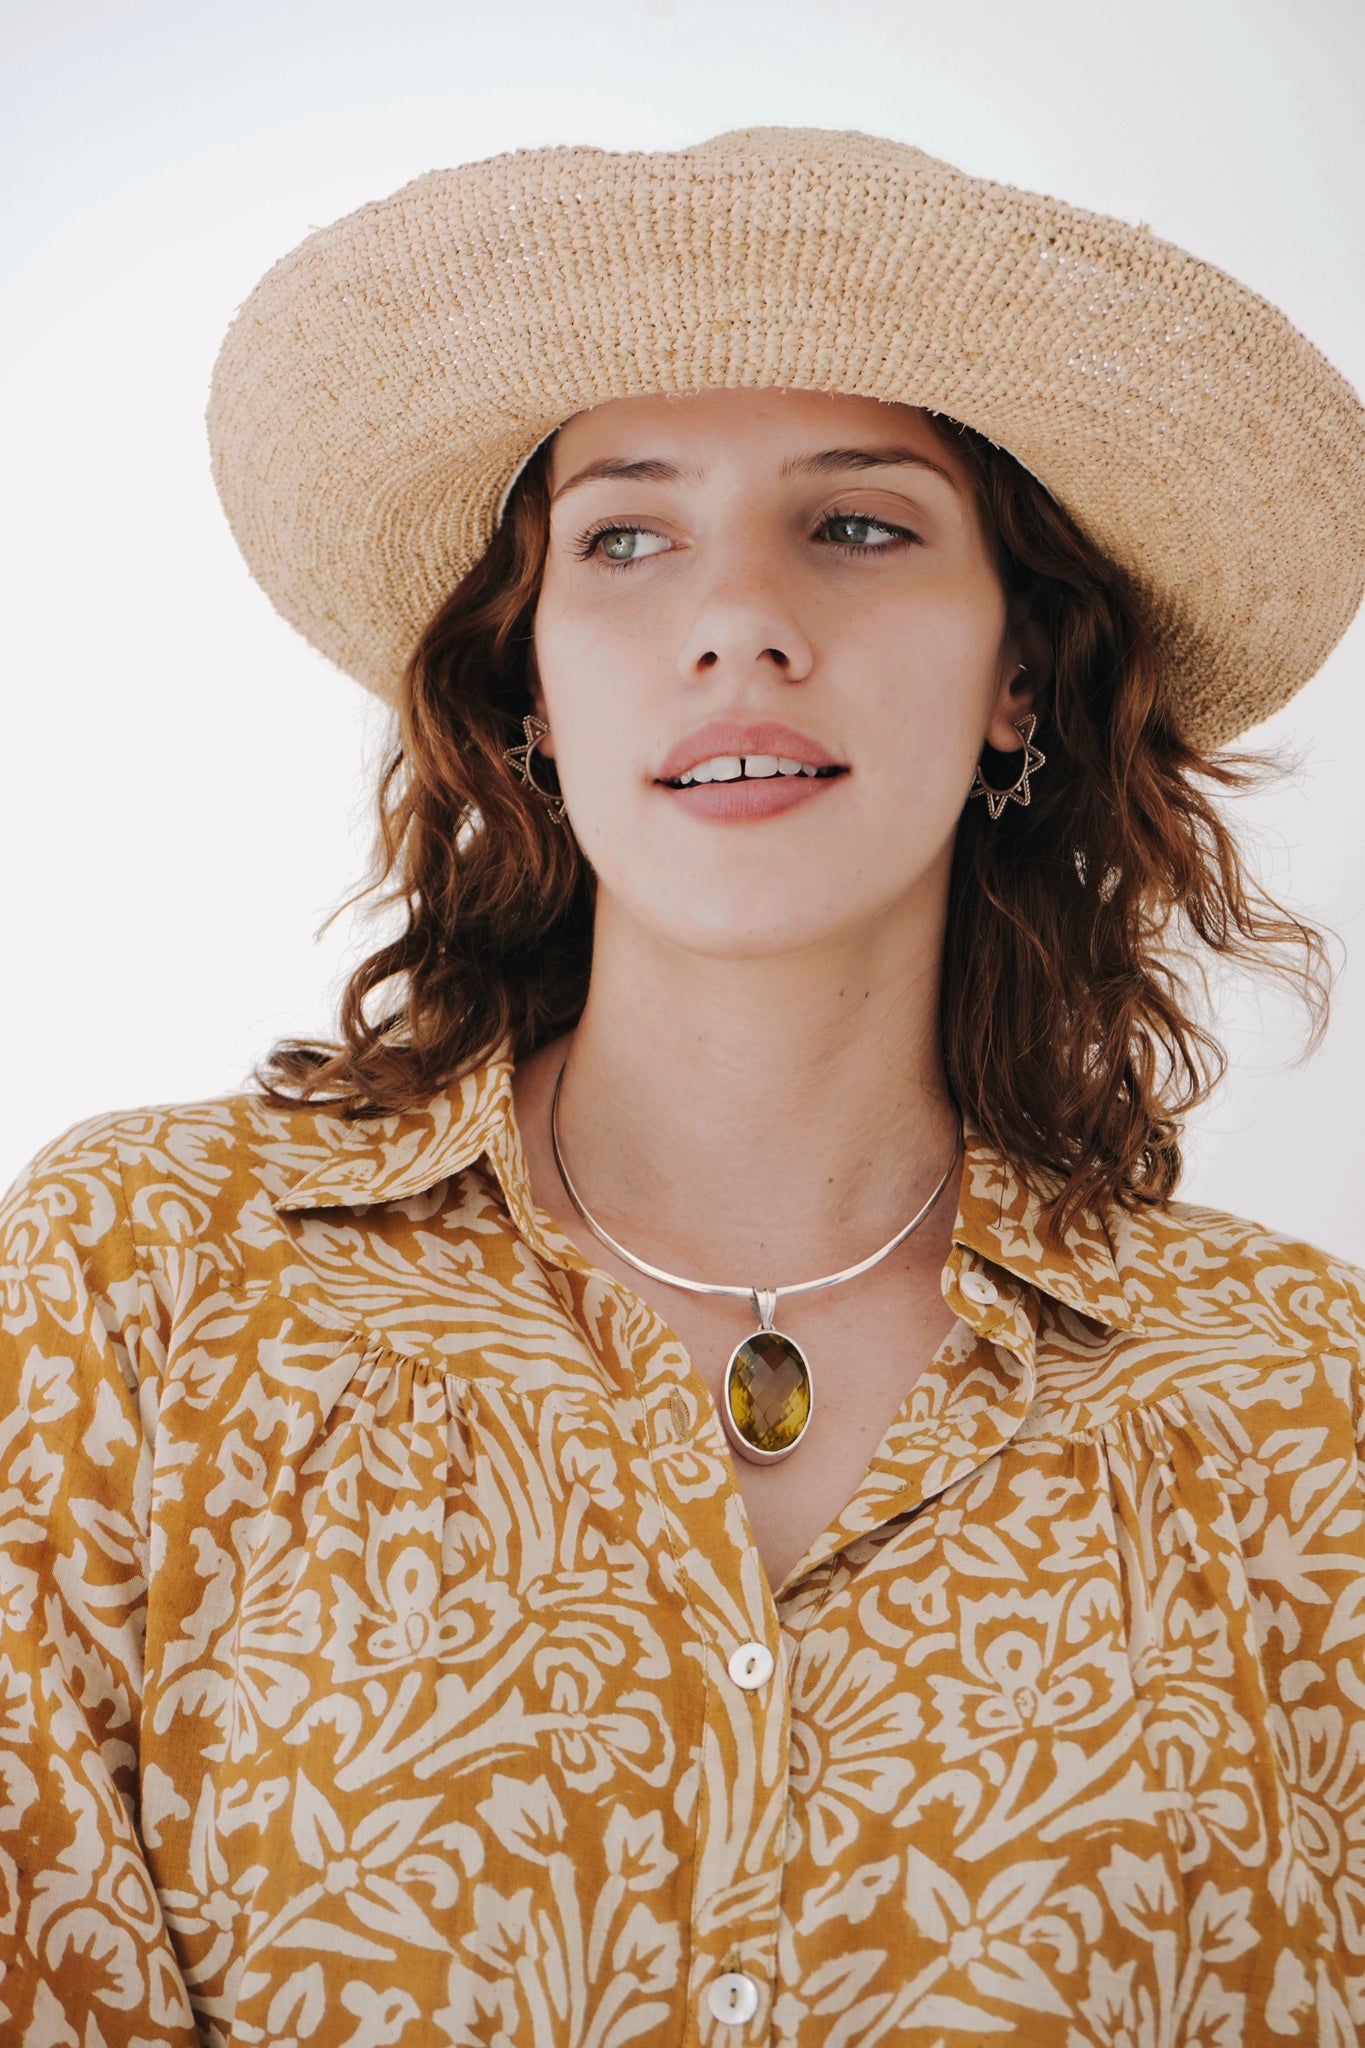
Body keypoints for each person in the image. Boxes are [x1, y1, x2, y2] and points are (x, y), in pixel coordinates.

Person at [3, 124, 1364, 2047]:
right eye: (625, 540)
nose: (737, 620)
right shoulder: (141, 1285)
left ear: (1020, 676)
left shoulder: (1304, 1403)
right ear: (529, 689)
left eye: (858, 527)